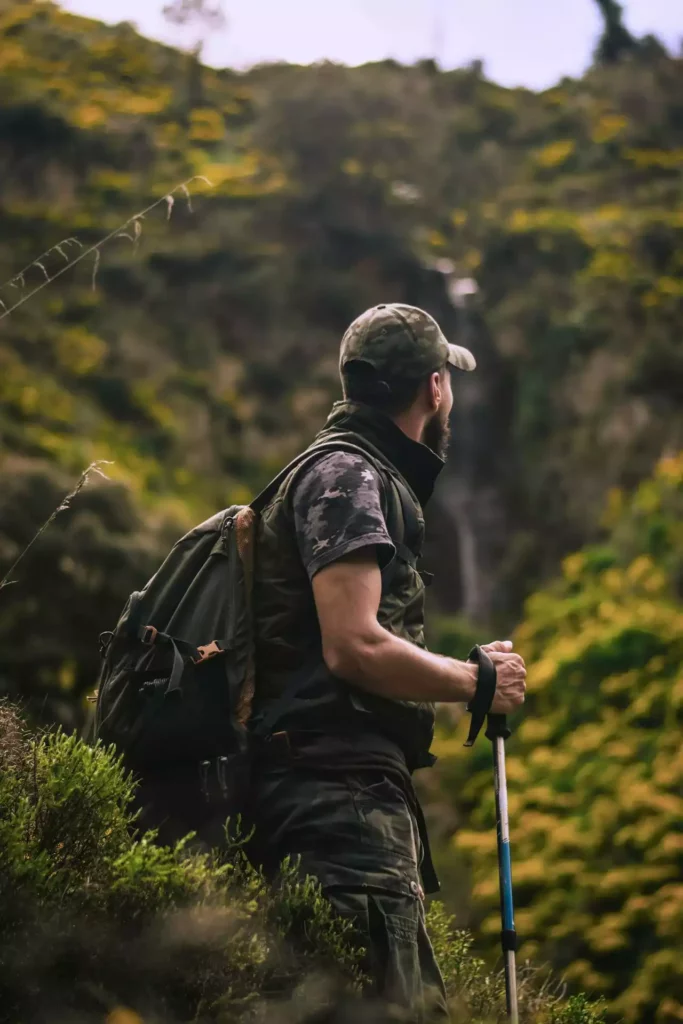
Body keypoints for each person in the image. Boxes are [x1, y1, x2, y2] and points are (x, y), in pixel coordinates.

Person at [246, 303, 527, 1021]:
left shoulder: (345, 471)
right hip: (336, 806)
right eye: (447, 382)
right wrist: (476, 682)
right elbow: (354, 646)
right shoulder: (347, 477)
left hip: (335, 797)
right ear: (435, 388)